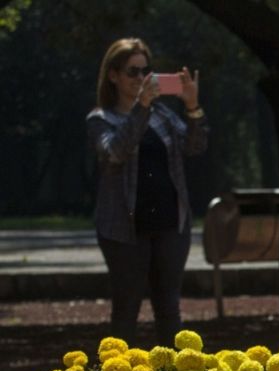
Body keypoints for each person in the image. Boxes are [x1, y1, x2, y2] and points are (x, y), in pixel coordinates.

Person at [87, 38, 208, 346]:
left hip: (170, 224)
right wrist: (141, 108)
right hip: (124, 228)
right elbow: (115, 152)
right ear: (113, 75)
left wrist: (192, 107)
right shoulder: (101, 119)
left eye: (146, 71)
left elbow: (194, 147)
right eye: (132, 72)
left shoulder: (164, 116)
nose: (141, 79)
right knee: (126, 310)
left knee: (169, 309)